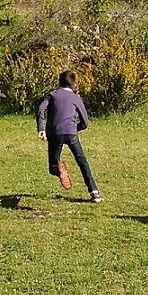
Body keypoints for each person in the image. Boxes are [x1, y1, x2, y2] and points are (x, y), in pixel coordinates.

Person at [36, 69, 102, 202]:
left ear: (59, 82)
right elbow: (85, 122)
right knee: (82, 161)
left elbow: (41, 108)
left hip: (54, 133)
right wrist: (75, 128)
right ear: (74, 84)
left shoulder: (53, 95)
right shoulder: (76, 98)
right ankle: (94, 192)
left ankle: (59, 169)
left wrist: (41, 128)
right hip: (71, 132)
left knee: (52, 166)